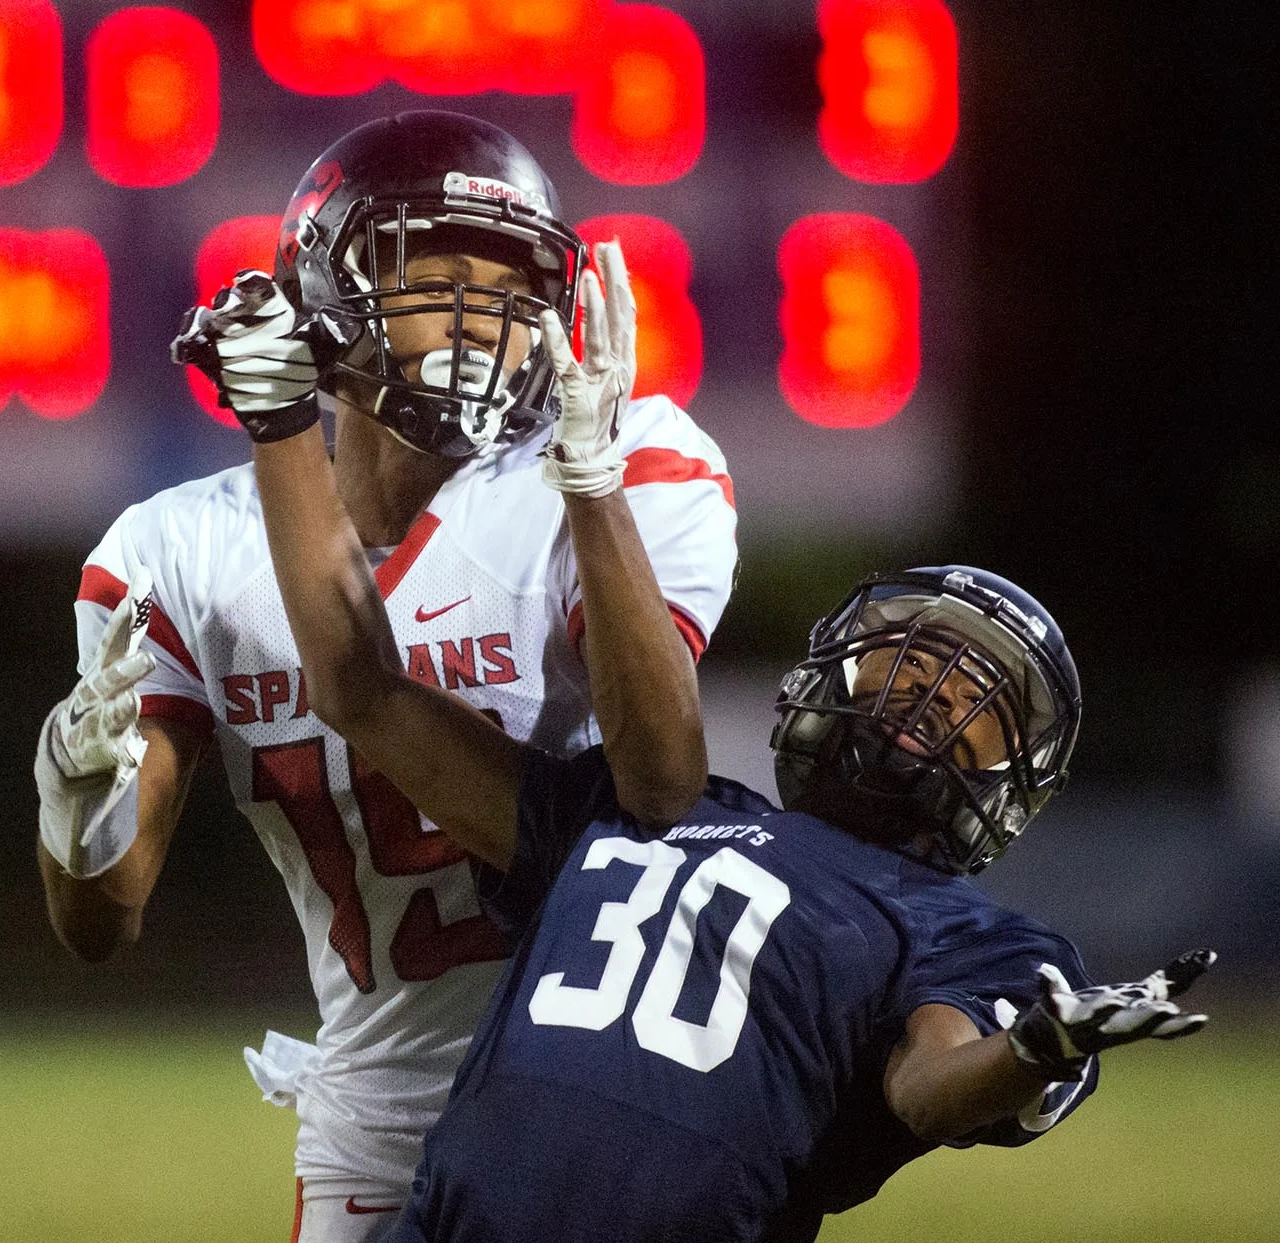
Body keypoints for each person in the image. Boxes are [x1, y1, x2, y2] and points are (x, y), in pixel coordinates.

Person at [249, 411, 1213, 1240]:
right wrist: (285, 422)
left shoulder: (973, 933)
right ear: (827, 675)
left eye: (975, 701)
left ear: (1011, 781)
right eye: (911, 666)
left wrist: (1033, 1049)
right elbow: (361, 690)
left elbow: (929, 1083)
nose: (930, 698)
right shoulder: (643, 804)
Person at [31, 110, 736, 1242]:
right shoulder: (177, 549)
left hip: (610, 1095)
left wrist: (594, 482)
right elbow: (99, 924)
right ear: (320, 292)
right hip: (377, 1115)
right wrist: (73, 802)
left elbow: (661, 782)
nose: (483, 317)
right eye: (431, 272)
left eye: (512, 288)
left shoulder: (624, 457)